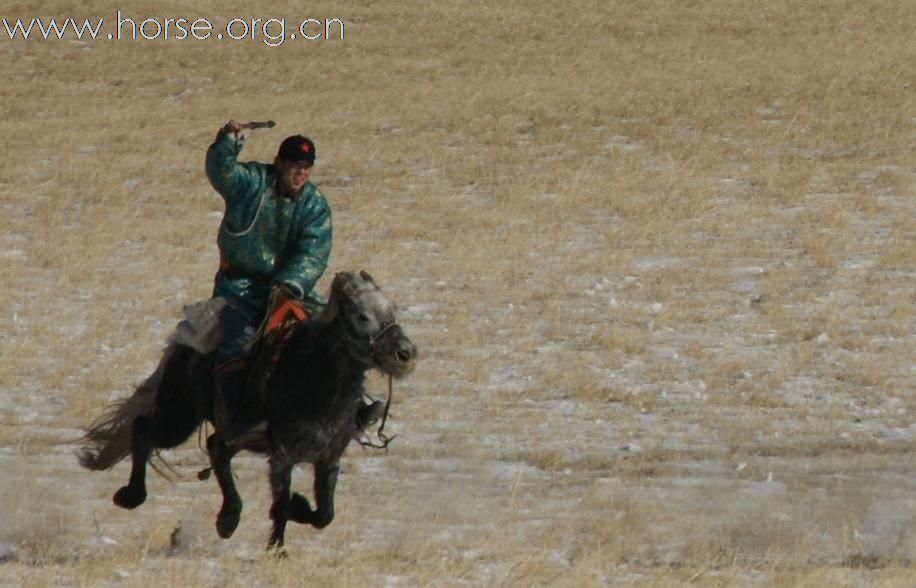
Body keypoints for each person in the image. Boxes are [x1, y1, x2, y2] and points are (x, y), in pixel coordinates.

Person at [205, 119, 382, 447]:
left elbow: (314, 251)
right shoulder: (250, 184)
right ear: (279, 163)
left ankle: (354, 407)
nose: (301, 174)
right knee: (237, 343)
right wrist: (229, 143)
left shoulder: (314, 206)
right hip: (239, 291)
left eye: (307, 168)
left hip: (288, 291)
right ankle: (237, 420)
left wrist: (289, 284)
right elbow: (220, 171)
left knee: (332, 338)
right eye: (294, 166)